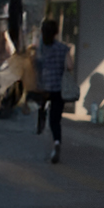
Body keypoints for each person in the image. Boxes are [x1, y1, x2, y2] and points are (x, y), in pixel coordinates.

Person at [33, 19, 72, 164]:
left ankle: (40, 125)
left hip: (42, 87)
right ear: (56, 33)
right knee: (55, 120)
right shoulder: (63, 48)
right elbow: (70, 66)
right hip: (58, 88)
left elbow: (34, 65)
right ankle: (56, 142)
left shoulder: (39, 49)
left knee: (38, 110)